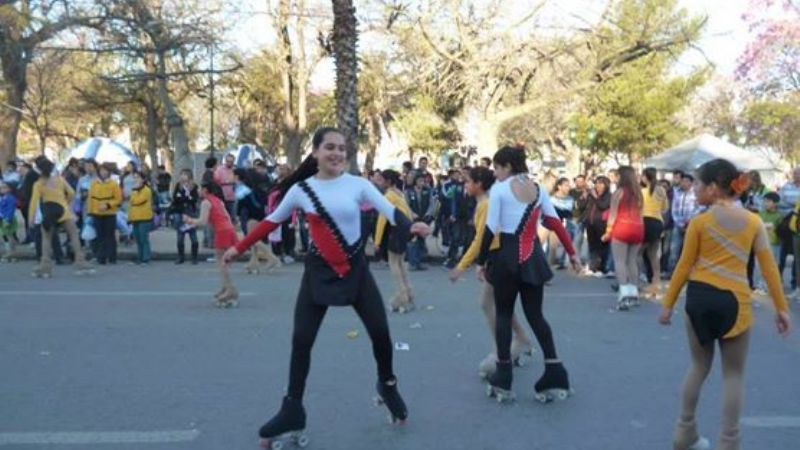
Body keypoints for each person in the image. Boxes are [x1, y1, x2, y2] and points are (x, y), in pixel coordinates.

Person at [222, 128, 430, 447]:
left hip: (355, 270)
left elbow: (391, 213)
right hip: (318, 272)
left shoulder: (359, 185)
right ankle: (292, 409)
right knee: (302, 339)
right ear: (316, 152)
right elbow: (271, 221)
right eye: (329, 147)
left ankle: (387, 385)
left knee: (380, 333)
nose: (336, 153)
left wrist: (410, 225)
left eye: (341, 149)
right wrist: (239, 247)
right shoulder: (302, 189)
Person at [659, 158, 791, 450]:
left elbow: (683, 266)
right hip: (735, 304)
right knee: (733, 375)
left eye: (697, 183)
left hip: (699, 299)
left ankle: (685, 433)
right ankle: (728, 443)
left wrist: (668, 304)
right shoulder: (753, 222)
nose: (693, 188)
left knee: (697, 367)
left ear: (714, 188)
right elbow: (769, 268)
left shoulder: (699, 222)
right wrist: (782, 308)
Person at [475, 146, 579, 403]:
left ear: (508, 166)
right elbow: (554, 223)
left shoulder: (499, 189)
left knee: (503, 314)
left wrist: (480, 261)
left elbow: (491, 229)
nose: (496, 173)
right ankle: (555, 371)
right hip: (532, 257)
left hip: (506, 259)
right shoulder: (538, 189)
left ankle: (503, 376)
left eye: (497, 168)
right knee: (536, 316)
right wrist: (573, 253)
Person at [449, 166, 533, 379]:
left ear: (479, 184)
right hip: (496, 257)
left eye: (468, 181)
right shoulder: (483, 204)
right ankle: (518, 340)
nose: (464, 185)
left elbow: (483, 238)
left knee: (490, 304)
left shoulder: (485, 204)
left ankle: (502, 350)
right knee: (496, 304)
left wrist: (463, 266)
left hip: (499, 258)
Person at [28, 156, 92, 277]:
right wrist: (66, 203)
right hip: (63, 210)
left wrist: (31, 217)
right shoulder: (59, 180)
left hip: (49, 212)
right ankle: (80, 261)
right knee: (73, 234)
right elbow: (72, 193)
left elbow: (34, 201)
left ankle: (45, 265)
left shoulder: (39, 184)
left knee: (46, 238)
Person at [184, 182, 240, 307]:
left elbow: (203, 222)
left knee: (222, 263)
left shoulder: (206, 202)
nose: (198, 191)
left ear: (205, 190)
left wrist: (189, 220)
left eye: (200, 189)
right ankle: (225, 288)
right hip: (229, 229)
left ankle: (231, 290)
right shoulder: (218, 201)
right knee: (224, 262)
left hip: (221, 231)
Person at [602, 166, 644, 310]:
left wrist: (608, 231)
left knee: (619, 261)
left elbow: (613, 214)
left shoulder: (618, 193)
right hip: (638, 227)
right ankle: (634, 292)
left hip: (622, 227)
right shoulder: (639, 193)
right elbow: (641, 214)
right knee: (632, 261)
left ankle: (624, 293)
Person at [374, 169, 415, 313]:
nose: (380, 182)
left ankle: (402, 295)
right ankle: (408, 292)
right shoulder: (399, 193)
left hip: (395, 231)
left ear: (388, 181)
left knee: (394, 264)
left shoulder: (389, 196)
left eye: (382, 179)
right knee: (401, 263)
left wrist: (377, 241)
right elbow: (408, 212)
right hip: (404, 230)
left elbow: (381, 219)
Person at [640, 167, 669, 298]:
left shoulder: (642, 191)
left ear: (646, 177)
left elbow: (638, 208)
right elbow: (665, 208)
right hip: (657, 222)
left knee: (635, 253)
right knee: (653, 254)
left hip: (645, 222)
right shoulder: (661, 190)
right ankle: (656, 282)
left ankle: (631, 281)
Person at [88, 163, 122, 265]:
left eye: (105, 171)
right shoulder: (94, 184)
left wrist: (108, 205)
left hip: (109, 213)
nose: (103, 173)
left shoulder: (114, 184)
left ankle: (112, 257)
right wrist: (90, 212)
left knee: (110, 235)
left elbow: (118, 199)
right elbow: (90, 198)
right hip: (97, 212)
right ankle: (101, 257)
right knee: (100, 236)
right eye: (101, 170)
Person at [669, 174, 699, 274]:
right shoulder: (677, 193)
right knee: (674, 250)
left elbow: (698, 208)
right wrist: (679, 223)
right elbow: (673, 209)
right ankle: (672, 272)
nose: (684, 183)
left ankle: (688, 273)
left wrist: (690, 221)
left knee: (689, 251)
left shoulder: (696, 193)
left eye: (686, 181)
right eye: (682, 181)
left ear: (691, 182)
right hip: (678, 225)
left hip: (691, 225)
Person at [405, 172, 435, 270]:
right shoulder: (409, 191)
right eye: (419, 181)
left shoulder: (428, 191)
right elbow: (406, 205)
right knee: (413, 241)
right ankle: (412, 262)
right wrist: (412, 214)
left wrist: (428, 214)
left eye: (423, 181)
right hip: (413, 219)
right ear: (415, 181)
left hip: (424, 218)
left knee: (421, 240)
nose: (421, 183)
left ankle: (419, 262)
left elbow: (432, 204)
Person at [170, 169, 200, 265]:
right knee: (180, 237)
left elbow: (194, 200)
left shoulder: (194, 187)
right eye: (181, 174)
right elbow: (175, 199)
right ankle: (180, 257)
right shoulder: (178, 186)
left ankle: (194, 257)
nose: (182, 177)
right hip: (180, 213)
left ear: (189, 176)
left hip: (190, 213)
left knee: (193, 237)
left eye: (185, 175)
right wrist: (185, 196)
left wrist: (185, 197)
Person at [583, 176, 611, 276]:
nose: (598, 185)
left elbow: (603, 206)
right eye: (596, 183)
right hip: (590, 223)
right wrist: (585, 196)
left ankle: (602, 268)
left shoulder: (608, 196)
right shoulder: (592, 195)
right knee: (592, 246)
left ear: (606, 185)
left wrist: (595, 197)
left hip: (602, 224)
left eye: (601, 183)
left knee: (602, 247)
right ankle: (593, 267)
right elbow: (583, 206)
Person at [756, 192, 782, 293]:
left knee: (771, 265)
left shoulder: (779, 216)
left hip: (774, 244)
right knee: (760, 265)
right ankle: (761, 284)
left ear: (775, 203)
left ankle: (770, 285)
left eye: (768, 201)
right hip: (761, 243)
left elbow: (779, 230)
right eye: (764, 201)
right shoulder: (761, 213)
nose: (765, 203)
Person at [128, 171, 154, 265]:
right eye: (134, 177)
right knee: (138, 239)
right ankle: (140, 257)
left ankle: (146, 258)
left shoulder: (146, 190)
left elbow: (137, 201)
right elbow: (131, 203)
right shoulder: (134, 190)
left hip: (144, 217)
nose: (136, 180)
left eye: (138, 177)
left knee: (144, 239)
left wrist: (134, 191)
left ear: (143, 179)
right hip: (135, 217)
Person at [550, 177, 576, 269]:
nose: (568, 188)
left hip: (566, 224)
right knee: (551, 248)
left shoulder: (570, 199)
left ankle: (562, 261)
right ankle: (547, 267)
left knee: (568, 243)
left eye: (569, 186)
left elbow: (568, 212)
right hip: (553, 226)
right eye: (566, 185)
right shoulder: (551, 198)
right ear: (559, 186)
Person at [214, 154, 237, 220]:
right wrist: (227, 182)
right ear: (225, 161)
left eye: (231, 162)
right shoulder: (219, 169)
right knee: (222, 217)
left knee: (232, 218)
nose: (229, 163)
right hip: (222, 197)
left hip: (232, 198)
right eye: (228, 161)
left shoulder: (235, 170)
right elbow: (216, 181)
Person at [0, 181, 18, 262]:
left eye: (4, 187)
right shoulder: (4, 197)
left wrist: (8, 220)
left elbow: (11, 210)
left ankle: (11, 253)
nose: (1, 189)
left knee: (9, 236)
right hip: (3, 218)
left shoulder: (10, 198)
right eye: (1, 187)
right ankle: (10, 253)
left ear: (10, 189)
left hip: (7, 219)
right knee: (5, 236)